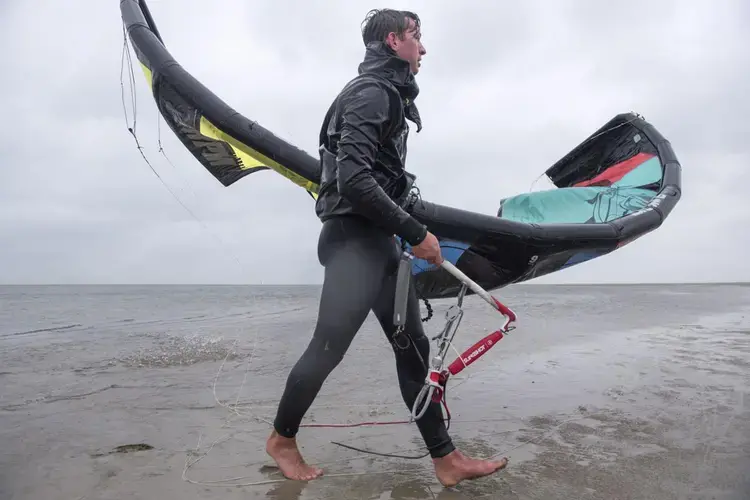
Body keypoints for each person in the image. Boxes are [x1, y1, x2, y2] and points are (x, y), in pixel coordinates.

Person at [265, 8, 509, 487]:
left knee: (413, 351)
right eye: (417, 37)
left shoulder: (387, 93)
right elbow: (354, 179)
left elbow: (372, 177)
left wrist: (404, 231)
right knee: (328, 348)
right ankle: (282, 439)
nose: (424, 48)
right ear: (394, 40)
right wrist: (417, 233)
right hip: (354, 241)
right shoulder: (372, 92)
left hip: (378, 241)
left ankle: (446, 460)